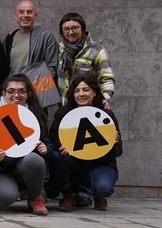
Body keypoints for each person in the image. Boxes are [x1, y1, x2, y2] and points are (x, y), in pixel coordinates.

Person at [0, 75, 52, 216]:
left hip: (24, 166)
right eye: (11, 91)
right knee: (5, 197)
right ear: (4, 93)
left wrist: (45, 148)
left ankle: (35, 198)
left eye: (21, 91)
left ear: (28, 94)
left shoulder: (34, 116)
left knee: (35, 160)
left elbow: (47, 143)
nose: (16, 95)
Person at [48, 77, 122, 212]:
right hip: (73, 162)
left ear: (94, 92)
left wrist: (110, 146)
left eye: (86, 90)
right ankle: (68, 195)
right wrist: (63, 146)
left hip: (101, 163)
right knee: (57, 157)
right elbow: (52, 139)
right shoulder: (63, 113)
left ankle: (99, 195)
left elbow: (118, 150)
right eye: (77, 91)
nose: (81, 94)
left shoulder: (106, 115)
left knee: (103, 187)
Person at [4, 0, 60, 107]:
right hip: (13, 96)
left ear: (35, 15)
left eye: (29, 12)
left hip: (35, 95)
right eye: (21, 12)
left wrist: (38, 90)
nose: (25, 15)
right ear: (16, 16)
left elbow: (52, 67)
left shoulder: (45, 36)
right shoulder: (10, 37)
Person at [58, 12, 116, 107]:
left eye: (75, 28)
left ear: (82, 28)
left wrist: (105, 98)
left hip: (89, 106)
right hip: (65, 106)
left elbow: (107, 78)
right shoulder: (59, 49)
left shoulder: (97, 50)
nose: (71, 32)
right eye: (66, 29)